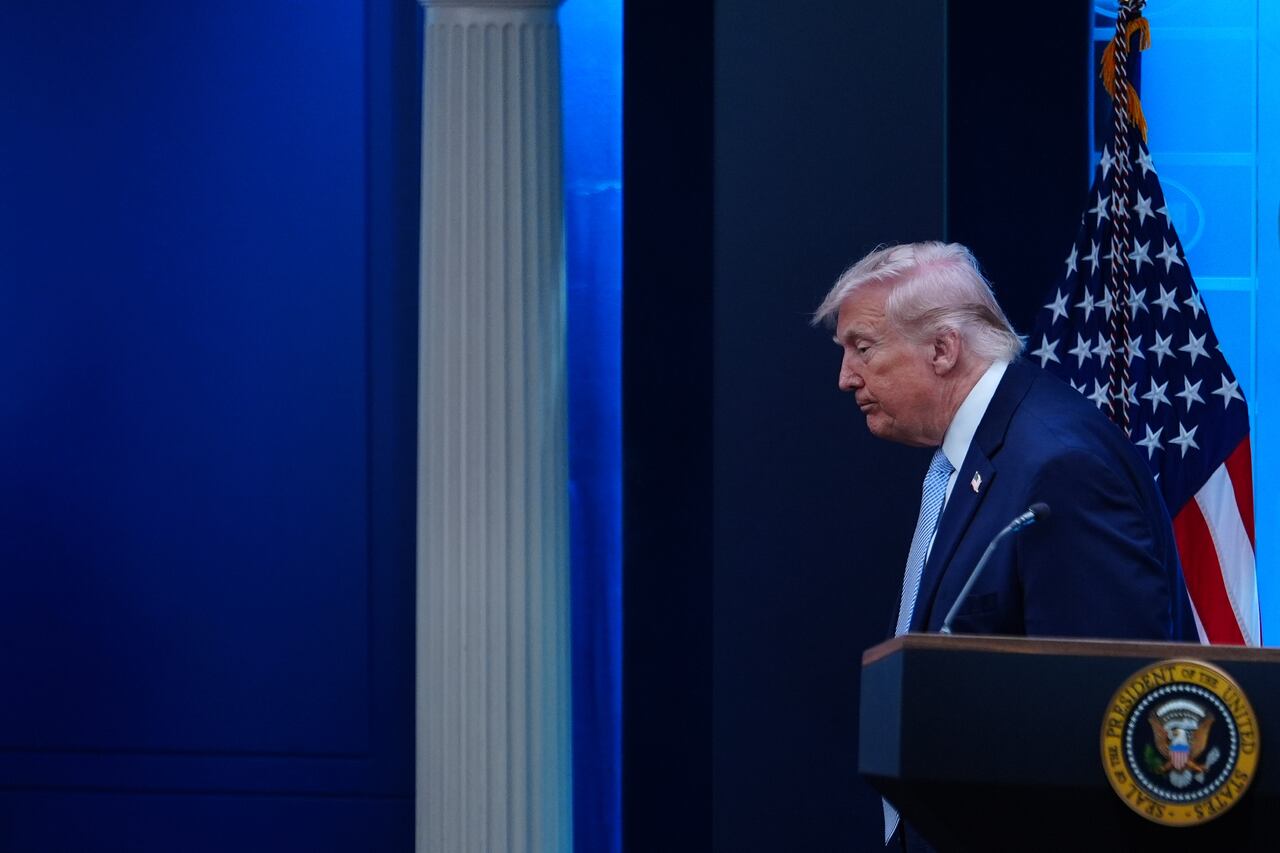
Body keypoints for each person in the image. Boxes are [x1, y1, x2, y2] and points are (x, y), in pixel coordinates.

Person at [814, 242, 1197, 849]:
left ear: (943, 349)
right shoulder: (978, 456)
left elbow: (1105, 715)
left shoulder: (1057, 466)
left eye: (863, 348)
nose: (845, 378)